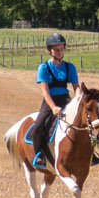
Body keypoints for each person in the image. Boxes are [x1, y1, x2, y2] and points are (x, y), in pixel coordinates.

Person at [30, 33, 79, 168]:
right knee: (39, 125)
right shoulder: (44, 68)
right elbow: (45, 91)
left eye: (61, 48)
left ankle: (90, 153)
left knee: (83, 121)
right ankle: (38, 154)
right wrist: (53, 107)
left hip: (66, 99)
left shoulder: (70, 67)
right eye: (56, 49)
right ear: (50, 50)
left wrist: (79, 101)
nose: (59, 51)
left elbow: (76, 88)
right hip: (50, 101)